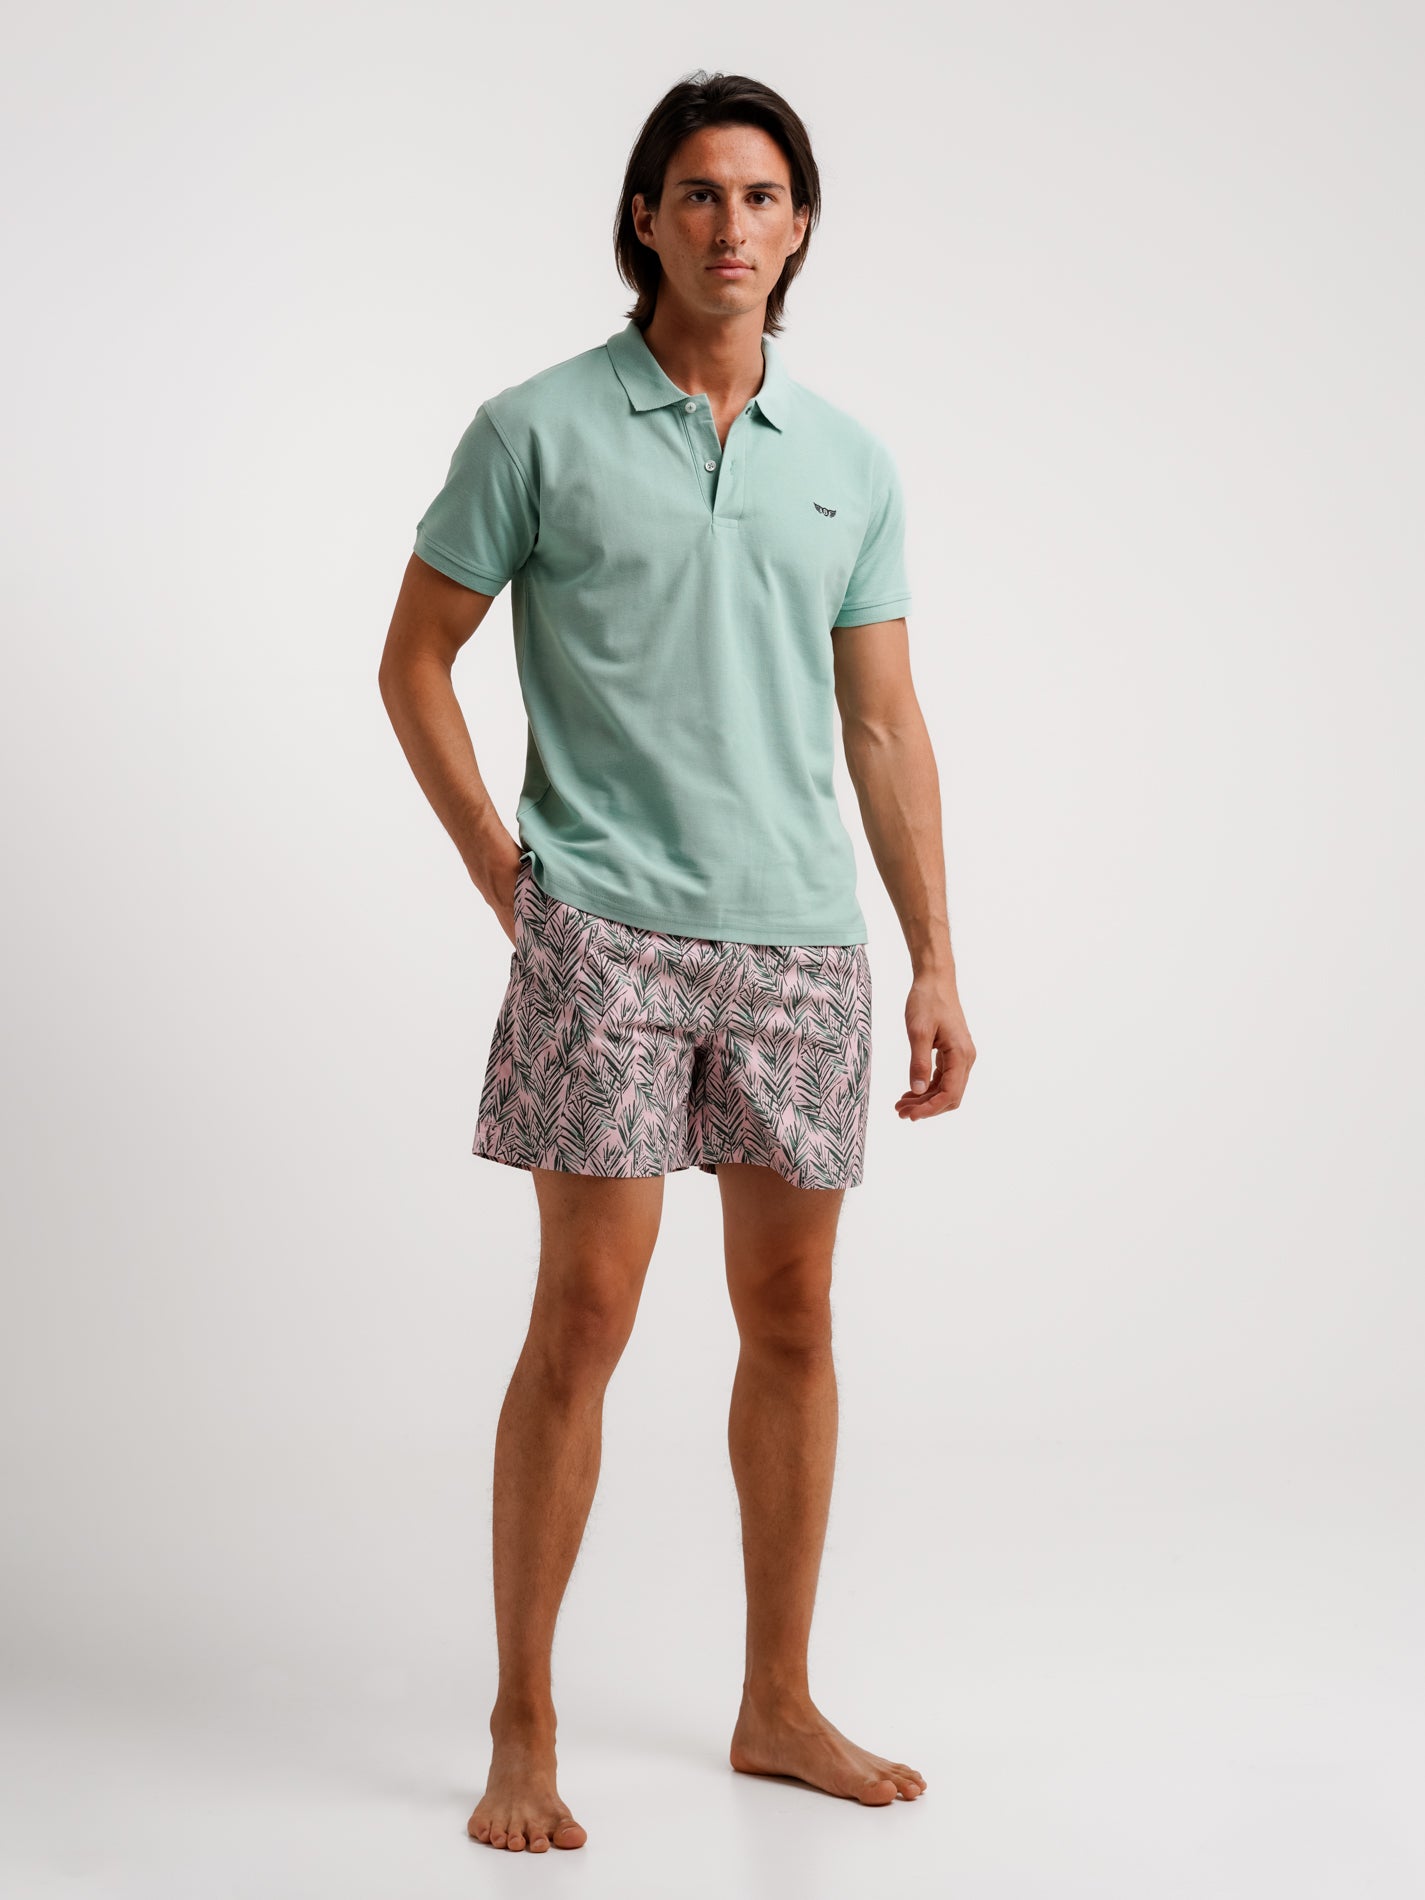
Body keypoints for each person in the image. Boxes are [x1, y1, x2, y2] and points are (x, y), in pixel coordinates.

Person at [378, 69, 975, 1856]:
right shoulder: (534, 428)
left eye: (763, 196)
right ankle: (523, 1723)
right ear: (644, 217)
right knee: (585, 1315)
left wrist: (936, 958)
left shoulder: (847, 462)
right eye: (699, 193)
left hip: (799, 942)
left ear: (800, 227)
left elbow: (883, 724)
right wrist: (504, 870)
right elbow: (414, 660)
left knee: (792, 1318)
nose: (732, 226)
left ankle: (776, 1702)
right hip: (606, 934)